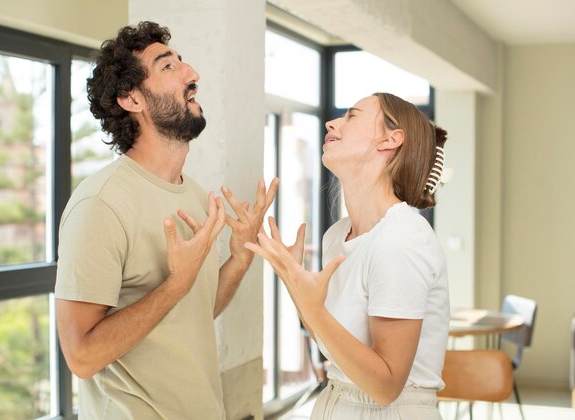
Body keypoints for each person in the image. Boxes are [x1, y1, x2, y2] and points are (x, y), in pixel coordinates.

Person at [54, 21, 277, 419]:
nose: (192, 74)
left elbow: (196, 308)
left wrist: (240, 255)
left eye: (182, 63)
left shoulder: (191, 193)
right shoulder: (100, 204)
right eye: (168, 67)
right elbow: (82, 357)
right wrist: (176, 283)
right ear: (131, 99)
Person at [246, 93, 450, 419]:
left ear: (390, 139)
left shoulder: (402, 238)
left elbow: (385, 387)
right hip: (336, 401)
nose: (332, 123)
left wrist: (311, 305)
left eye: (351, 116)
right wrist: (293, 278)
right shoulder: (337, 236)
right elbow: (333, 345)